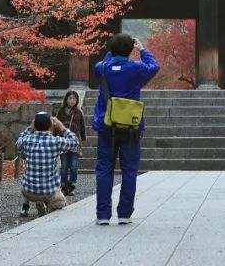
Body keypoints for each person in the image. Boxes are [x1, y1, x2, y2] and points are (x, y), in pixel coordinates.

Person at [93, 33, 159, 225]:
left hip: (107, 124)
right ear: (131, 49)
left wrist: (112, 51)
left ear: (111, 50)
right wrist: (143, 50)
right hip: (131, 125)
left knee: (104, 168)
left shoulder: (102, 68)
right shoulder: (136, 69)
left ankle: (103, 215)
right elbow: (154, 67)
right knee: (129, 169)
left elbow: (106, 61)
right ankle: (124, 213)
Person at [16, 112, 80, 216]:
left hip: (28, 192)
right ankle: (49, 206)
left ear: (34, 125)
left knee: (26, 176)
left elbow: (18, 142)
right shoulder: (55, 142)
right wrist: (61, 127)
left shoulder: (27, 140)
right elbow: (75, 141)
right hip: (48, 192)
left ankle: (34, 204)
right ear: (51, 126)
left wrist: (30, 128)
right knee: (61, 202)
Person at [56, 90, 85, 195]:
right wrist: (55, 137)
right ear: (66, 99)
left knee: (74, 165)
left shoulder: (79, 112)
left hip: (75, 141)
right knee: (64, 165)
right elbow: (56, 125)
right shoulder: (61, 111)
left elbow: (82, 127)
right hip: (63, 141)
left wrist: (82, 139)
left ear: (76, 100)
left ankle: (72, 185)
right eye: (70, 98)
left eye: (74, 99)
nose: (72, 101)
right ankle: (63, 185)